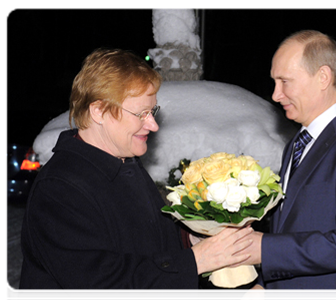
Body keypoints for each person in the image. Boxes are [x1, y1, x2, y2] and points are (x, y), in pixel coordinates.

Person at [18, 48, 253, 300]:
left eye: (153, 111)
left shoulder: (124, 162)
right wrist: (196, 260)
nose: (153, 124)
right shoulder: (60, 189)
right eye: (141, 114)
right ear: (98, 111)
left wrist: (193, 239)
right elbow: (104, 287)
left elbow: (149, 242)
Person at [239, 30, 336, 300]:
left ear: (323, 77)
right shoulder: (296, 144)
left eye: (284, 81)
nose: (276, 95)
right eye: (274, 82)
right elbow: (289, 227)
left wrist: (266, 249)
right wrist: (264, 284)